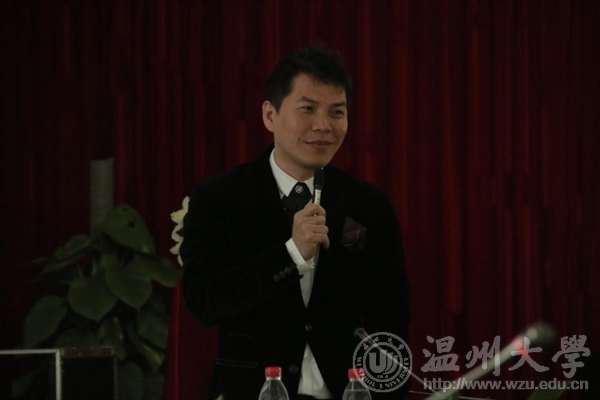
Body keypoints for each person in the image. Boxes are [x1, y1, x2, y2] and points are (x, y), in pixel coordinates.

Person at [181, 47, 410, 400]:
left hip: (347, 391)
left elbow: (391, 317)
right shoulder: (219, 198)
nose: (323, 125)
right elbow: (205, 301)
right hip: (254, 391)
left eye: (336, 112)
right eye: (307, 109)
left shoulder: (368, 205)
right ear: (269, 115)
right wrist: (290, 255)